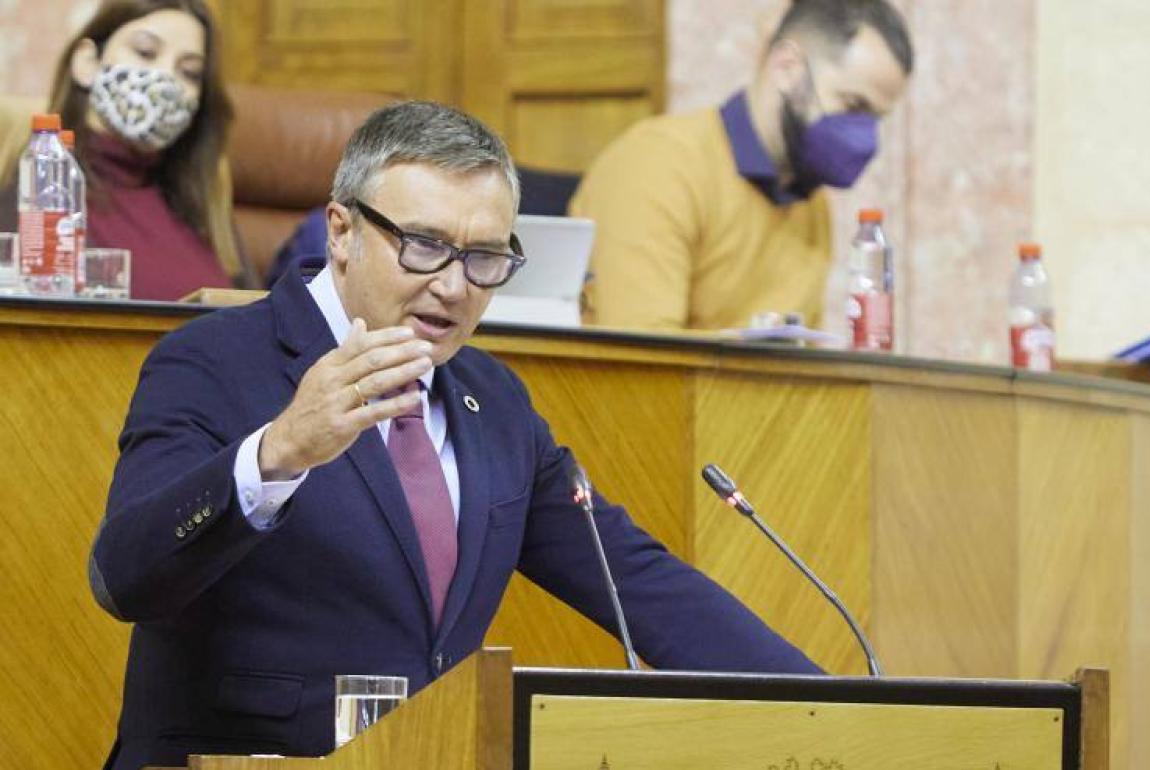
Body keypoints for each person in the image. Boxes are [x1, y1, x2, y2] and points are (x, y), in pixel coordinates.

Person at [89, 101, 820, 770]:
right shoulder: (212, 360)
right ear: (341, 232)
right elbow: (123, 577)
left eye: (485, 258)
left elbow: (638, 583)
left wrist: (833, 706)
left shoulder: (493, 402)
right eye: (424, 245)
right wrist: (277, 453)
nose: (454, 286)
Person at [570, 0, 912, 331]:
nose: (864, 136)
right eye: (853, 105)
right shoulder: (659, 164)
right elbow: (644, 358)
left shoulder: (811, 203)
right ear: (787, 68)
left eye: (875, 118)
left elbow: (800, 359)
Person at [0, 0, 247, 299]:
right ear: (87, 62)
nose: (166, 78)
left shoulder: (204, 195)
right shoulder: (41, 181)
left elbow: (256, 307)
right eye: (145, 52)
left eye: (190, 72)